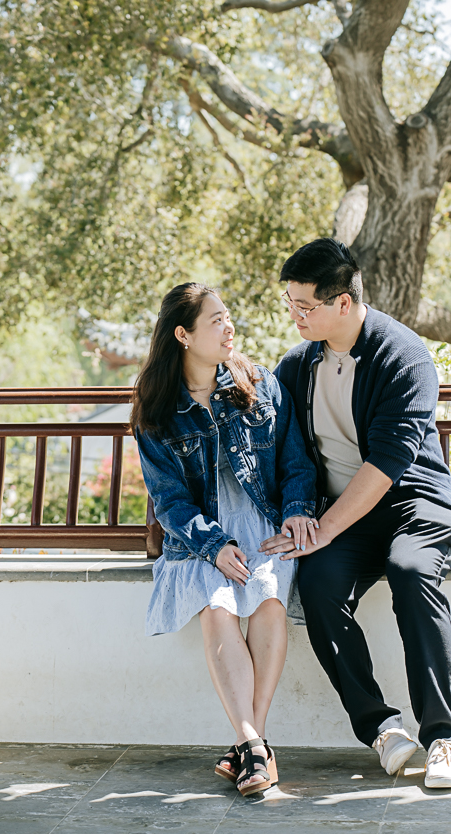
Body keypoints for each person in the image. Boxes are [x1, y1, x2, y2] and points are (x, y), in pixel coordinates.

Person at [260, 238, 451, 789]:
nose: (296, 316)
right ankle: (382, 730)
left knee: (410, 571)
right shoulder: (295, 366)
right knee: (319, 581)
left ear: (344, 303)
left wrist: (323, 529)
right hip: (342, 515)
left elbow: (387, 464)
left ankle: (444, 738)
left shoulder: (405, 357)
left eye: (306, 307)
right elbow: (285, 451)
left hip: (414, 501)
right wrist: (302, 518)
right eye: (290, 304)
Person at [132, 282, 317, 797]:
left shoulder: (258, 383)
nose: (229, 327)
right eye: (216, 321)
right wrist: (212, 545)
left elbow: (295, 461)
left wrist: (298, 513)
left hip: (262, 526)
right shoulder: (156, 408)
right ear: (183, 335)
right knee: (218, 609)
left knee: (269, 604)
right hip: (198, 538)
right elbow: (169, 501)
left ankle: (249, 747)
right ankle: (257, 746)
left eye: (228, 316)